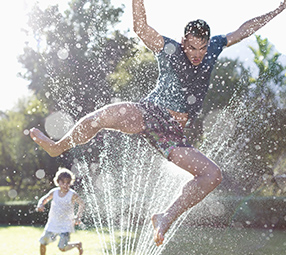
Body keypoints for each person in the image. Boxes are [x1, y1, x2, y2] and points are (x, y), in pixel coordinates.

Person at [30, 0, 286, 247]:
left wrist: (276, 11)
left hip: (173, 133)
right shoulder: (171, 49)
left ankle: (165, 216)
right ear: (184, 41)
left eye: (202, 48)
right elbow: (141, 28)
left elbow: (243, 30)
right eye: (192, 47)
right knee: (105, 115)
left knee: (212, 175)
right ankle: (58, 146)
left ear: (208, 44)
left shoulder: (215, 47)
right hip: (149, 113)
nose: (197, 55)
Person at [36, 167, 85, 254]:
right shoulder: (54, 192)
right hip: (53, 223)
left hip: (66, 225)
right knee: (42, 243)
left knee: (62, 248)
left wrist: (78, 216)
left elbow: (82, 203)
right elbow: (44, 199)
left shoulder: (72, 194)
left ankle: (77, 244)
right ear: (58, 182)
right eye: (63, 182)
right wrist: (40, 204)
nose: (65, 185)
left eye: (68, 183)